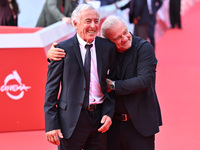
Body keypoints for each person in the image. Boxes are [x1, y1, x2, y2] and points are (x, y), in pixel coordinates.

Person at [47, 15, 162, 150]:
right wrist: (52, 56)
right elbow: (78, 52)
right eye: (117, 38)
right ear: (109, 42)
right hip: (111, 126)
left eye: (125, 32)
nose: (124, 38)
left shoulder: (144, 48)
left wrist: (112, 86)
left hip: (140, 124)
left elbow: (144, 81)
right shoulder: (104, 50)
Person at [44, 4, 116, 150]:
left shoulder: (108, 48)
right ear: (75, 24)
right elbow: (51, 89)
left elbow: (114, 83)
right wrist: (51, 124)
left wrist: (109, 112)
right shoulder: (62, 50)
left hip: (99, 118)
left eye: (96, 21)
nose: (93, 26)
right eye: (88, 21)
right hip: (71, 120)